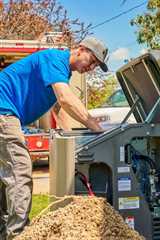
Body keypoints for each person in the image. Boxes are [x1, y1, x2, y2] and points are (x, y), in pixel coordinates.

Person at [0, 36, 108, 239]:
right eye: (92, 61)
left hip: (5, 113)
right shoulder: (54, 59)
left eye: (95, 65)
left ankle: (4, 230)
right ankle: (18, 234)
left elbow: (58, 108)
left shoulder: (60, 72)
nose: (91, 68)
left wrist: (70, 140)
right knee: (20, 171)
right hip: (3, 113)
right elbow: (65, 99)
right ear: (80, 49)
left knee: (8, 176)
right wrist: (95, 126)